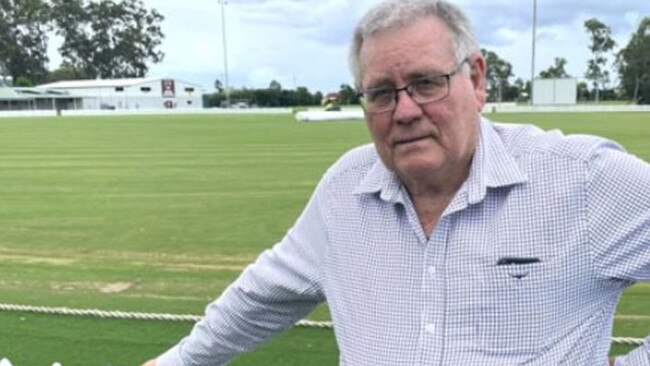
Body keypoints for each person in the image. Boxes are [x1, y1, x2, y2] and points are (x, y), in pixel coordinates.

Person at [142, 1, 650, 365]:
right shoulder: (346, 189)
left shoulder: (582, 180)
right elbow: (261, 298)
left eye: (427, 83)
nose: (404, 111)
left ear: (475, 80)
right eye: (381, 93)